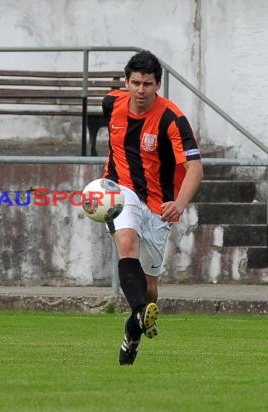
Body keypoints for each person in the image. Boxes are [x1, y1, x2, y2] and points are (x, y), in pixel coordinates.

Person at [101, 50, 203, 365]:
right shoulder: (111, 104)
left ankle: (134, 329)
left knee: (149, 288)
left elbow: (196, 168)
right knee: (126, 243)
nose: (141, 90)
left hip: (160, 205)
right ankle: (136, 312)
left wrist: (180, 203)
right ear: (126, 82)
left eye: (148, 84)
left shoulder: (172, 118)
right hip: (121, 191)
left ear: (158, 84)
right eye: (135, 83)